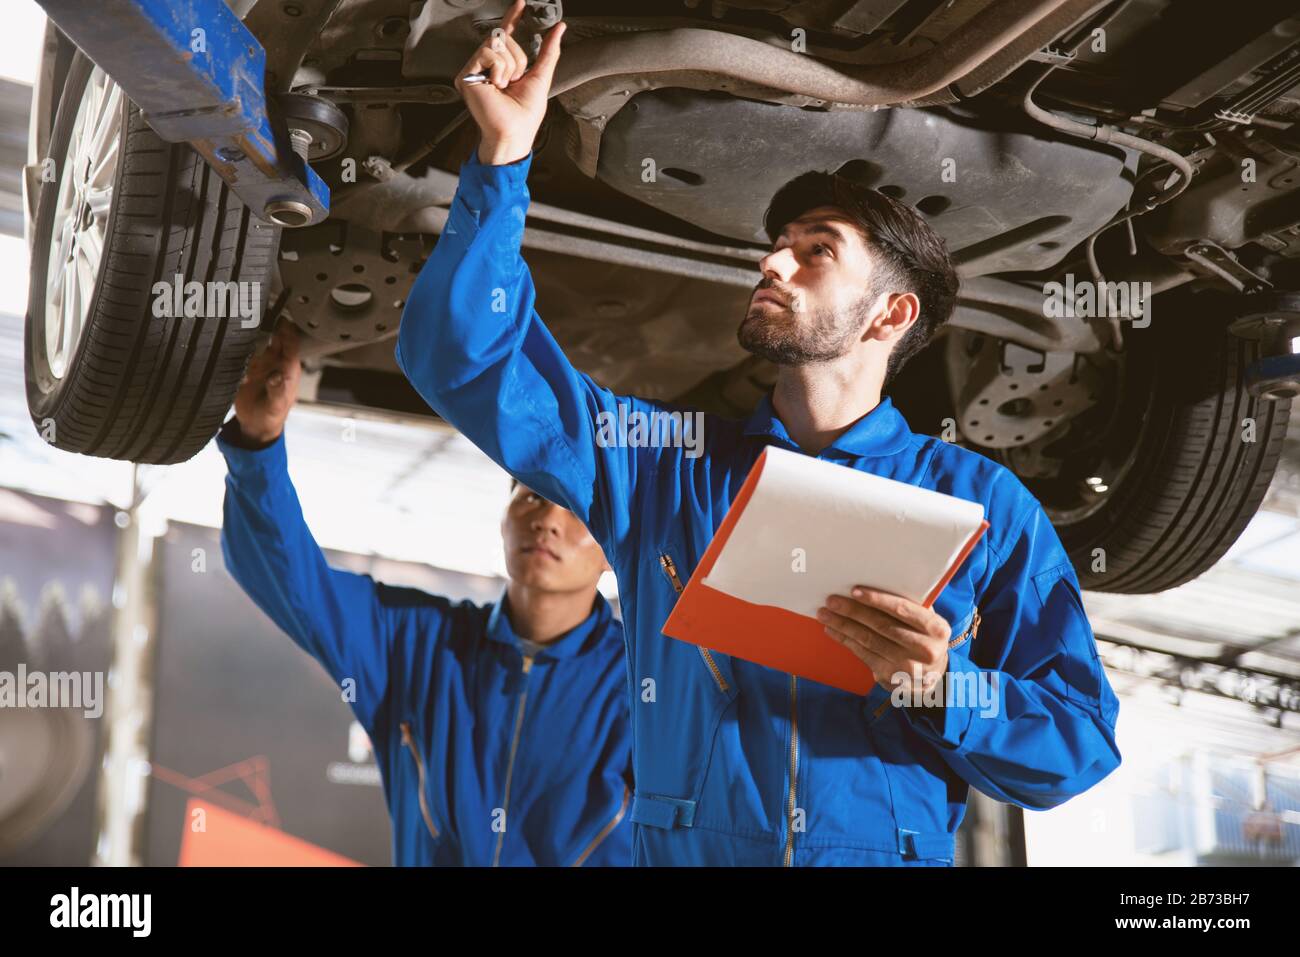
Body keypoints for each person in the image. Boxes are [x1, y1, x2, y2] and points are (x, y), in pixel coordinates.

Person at [395, 0, 1121, 866]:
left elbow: (1076, 747)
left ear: (890, 313)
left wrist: (948, 690)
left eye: (817, 250)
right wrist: (503, 159)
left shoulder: (981, 503)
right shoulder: (663, 469)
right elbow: (464, 359)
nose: (772, 261)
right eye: (777, 244)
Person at [218, 324, 633, 866]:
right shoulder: (418, 643)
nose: (547, 522)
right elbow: (293, 584)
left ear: (612, 549)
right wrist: (258, 444)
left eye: (576, 510)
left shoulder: (647, 685)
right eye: (530, 496)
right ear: (503, 519)